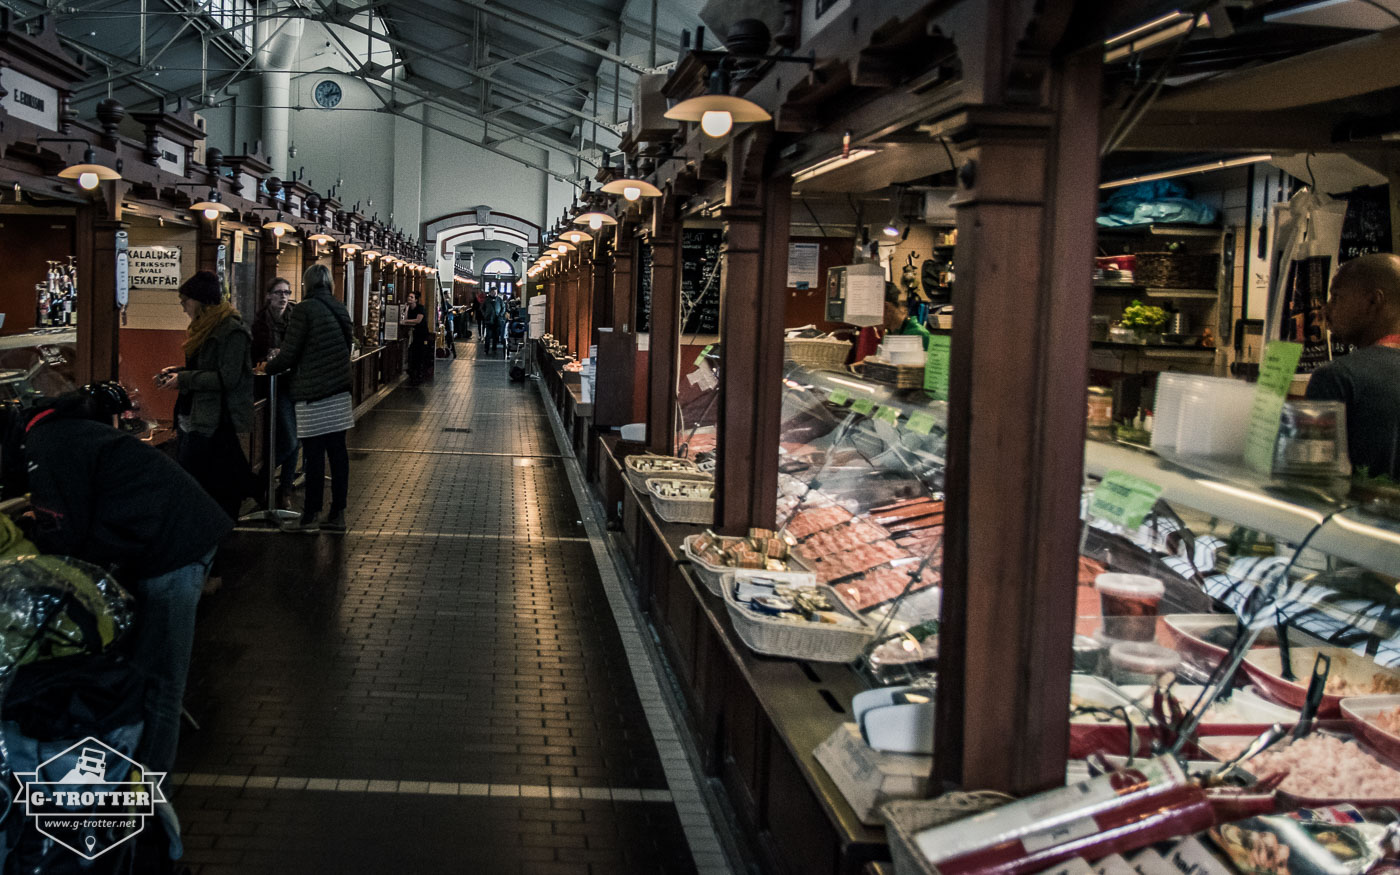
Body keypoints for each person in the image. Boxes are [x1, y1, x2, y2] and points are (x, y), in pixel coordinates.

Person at [4, 383, 231, 779]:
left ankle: (149, 791)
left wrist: (32, 537)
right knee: (145, 673)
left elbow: (65, 536)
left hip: (174, 545)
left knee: (160, 681)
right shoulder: (58, 433)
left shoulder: (47, 445)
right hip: (170, 535)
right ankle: (134, 779)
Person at [265, 263, 355, 533]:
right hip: (339, 392)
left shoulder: (304, 309)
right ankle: (337, 513)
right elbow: (347, 344)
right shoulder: (340, 307)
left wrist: (268, 367)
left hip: (314, 394)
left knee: (314, 456)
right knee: (338, 454)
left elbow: (290, 352)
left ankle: (310, 516)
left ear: (307, 284)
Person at [1307, 253, 1400, 480]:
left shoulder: (1337, 377)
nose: (1325, 311)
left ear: (1373, 302)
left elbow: (1310, 483)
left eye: (1336, 297)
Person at [252, 277, 299, 509]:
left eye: (287, 292)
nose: (284, 297)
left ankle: (282, 488)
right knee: (288, 440)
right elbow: (253, 354)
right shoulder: (259, 322)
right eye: (279, 292)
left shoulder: (297, 319)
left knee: (293, 439)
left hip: (293, 384)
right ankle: (266, 485)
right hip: (268, 386)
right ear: (269, 295)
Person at [401, 290, 429, 382]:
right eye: (409, 296)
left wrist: (405, 322)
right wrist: (406, 309)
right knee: (412, 351)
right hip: (412, 333)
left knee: (420, 352)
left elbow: (418, 320)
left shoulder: (420, 308)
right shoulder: (408, 308)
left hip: (421, 334)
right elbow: (405, 318)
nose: (409, 298)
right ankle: (412, 370)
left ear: (416, 300)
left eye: (412, 297)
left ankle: (420, 372)